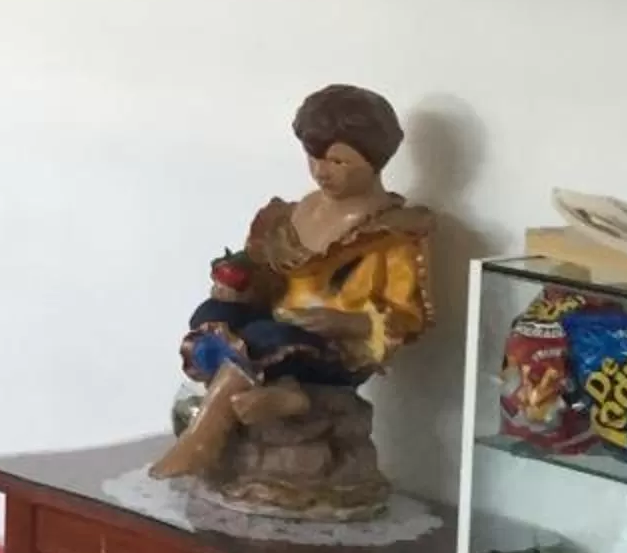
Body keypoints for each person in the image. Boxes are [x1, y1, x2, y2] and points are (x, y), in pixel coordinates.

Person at [150, 84, 436, 486]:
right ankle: (283, 394)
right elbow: (266, 275)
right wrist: (238, 287)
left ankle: (205, 436)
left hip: (335, 351)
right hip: (275, 330)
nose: (322, 172)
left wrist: (346, 322)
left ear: (374, 161)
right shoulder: (296, 213)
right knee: (211, 316)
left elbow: (410, 317)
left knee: (264, 336)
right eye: (314, 158)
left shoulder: (393, 233)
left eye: (338, 161)